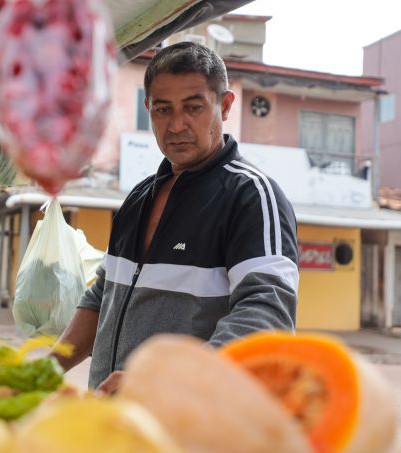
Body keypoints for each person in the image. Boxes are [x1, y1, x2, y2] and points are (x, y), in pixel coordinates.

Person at [54, 42, 299, 393]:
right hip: (112, 424)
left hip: (189, 428)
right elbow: (102, 296)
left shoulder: (252, 197)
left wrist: (166, 381)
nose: (176, 125)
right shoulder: (138, 199)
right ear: (148, 109)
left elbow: (267, 313)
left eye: (194, 107)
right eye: (162, 109)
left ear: (225, 105)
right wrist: (49, 367)